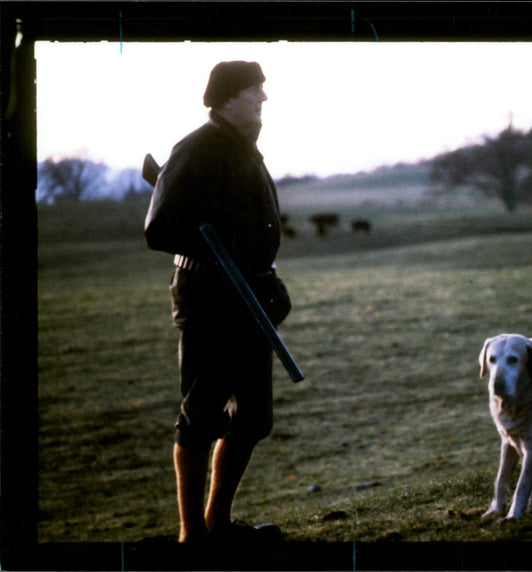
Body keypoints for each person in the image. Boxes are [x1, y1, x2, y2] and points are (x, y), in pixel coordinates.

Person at [144, 61, 291, 544]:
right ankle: (193, 537)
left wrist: (262, 277)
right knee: (202, 415)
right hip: (211, 301)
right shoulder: (196, 150)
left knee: (253, 418)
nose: (263, 99)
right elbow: (160, 228)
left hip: (249, 298)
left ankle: (218, 524)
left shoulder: (245, 151)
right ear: (227, 100)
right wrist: (221, 248)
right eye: (255, 91)